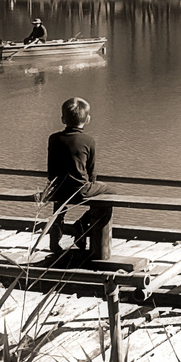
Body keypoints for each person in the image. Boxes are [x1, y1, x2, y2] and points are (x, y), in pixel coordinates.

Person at [44, 97, 114, 260]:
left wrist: (53, 184)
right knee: (111, 192)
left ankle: (54, 240)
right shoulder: (88, 140)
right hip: (81, 190)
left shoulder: (53, 138)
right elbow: (92, 172)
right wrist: (92, 184)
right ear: (87, 119)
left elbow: (51, 168)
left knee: (59, 205)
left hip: (58, 188)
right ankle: (82, 224)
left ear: (63, 119)